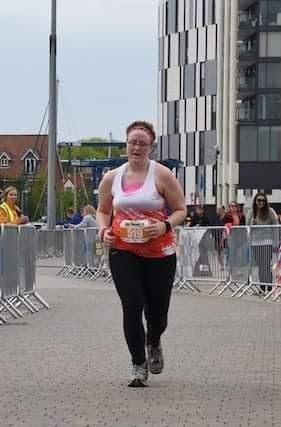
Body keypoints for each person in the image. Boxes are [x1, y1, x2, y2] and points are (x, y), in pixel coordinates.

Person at [96, 120, 186, 387]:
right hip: (123, 250)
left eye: (142, 143)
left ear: (151, 147)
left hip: (159, 252)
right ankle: (138, 364)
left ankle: (154, 340)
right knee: (132, 306)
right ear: (126, 145)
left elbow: (181, 209)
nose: (136, 147)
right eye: (132, 142)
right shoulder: (111, 177)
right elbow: (102, 210)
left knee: (157, 315)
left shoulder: (162, 175)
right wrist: (103, 231)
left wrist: (164, 225)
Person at [247, 192, 279, 292]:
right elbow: (246, 227)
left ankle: (268, 285)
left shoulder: (270, 211)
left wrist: (275, 242)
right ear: (255, 201)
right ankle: (262, 285)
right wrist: (251, 223)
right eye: (259, 200)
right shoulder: (251, 212)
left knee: (266, 264)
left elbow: (276, 227)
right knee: (260, 265)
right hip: (255, 242)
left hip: (267, 241)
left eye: (263, 200)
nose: (261, 202)